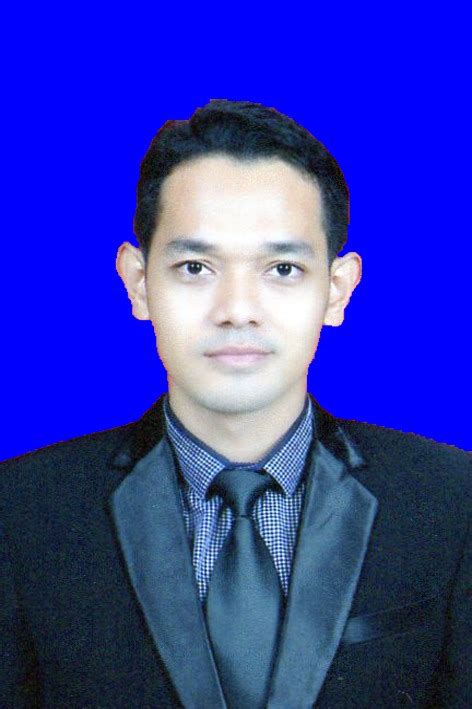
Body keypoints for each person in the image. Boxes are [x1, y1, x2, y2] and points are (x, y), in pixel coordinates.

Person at [0, 99, 470, 708]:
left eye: (283, 269)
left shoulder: (452, 501)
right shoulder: (21, 512)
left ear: (337, 289)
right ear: (139, 282)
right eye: (196, 267)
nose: (238, 310)